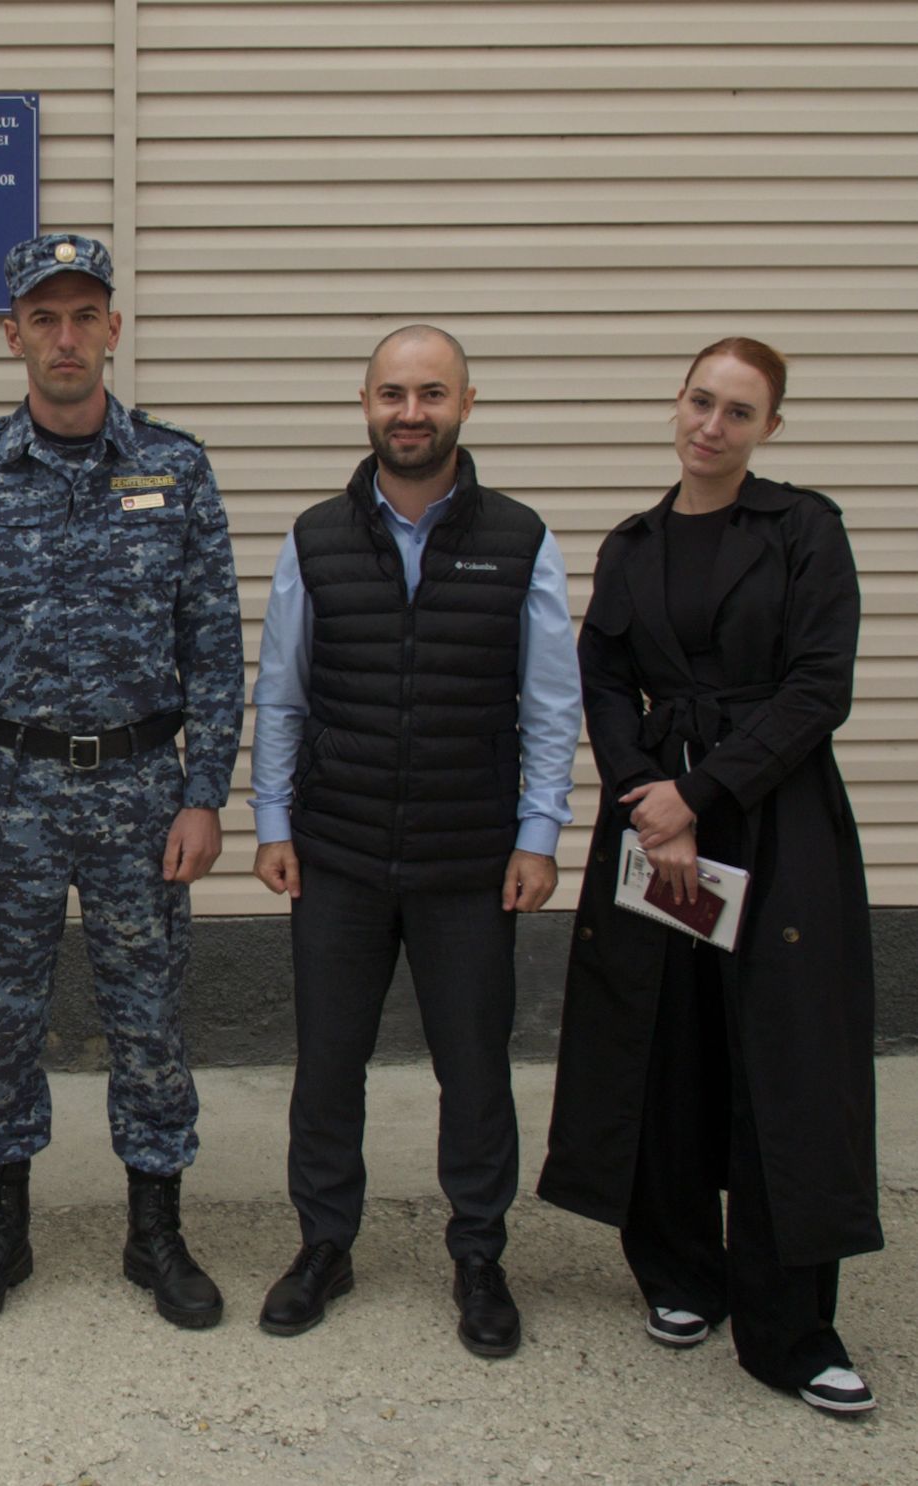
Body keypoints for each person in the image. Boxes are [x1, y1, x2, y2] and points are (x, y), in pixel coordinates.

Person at [0, 235, 245, 1330]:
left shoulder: (175, 468)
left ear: (110, 329)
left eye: (80, 315)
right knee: (2, 1019)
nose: (63, 337)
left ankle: (157, 1235)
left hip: (144, 792)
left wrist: (206, 793)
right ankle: (1, 1231)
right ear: (12, 337)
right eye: (41, 319)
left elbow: (211, 642)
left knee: (148, 1020)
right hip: (6, 794)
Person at [539, 338, 881, 1415]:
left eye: (738, 412)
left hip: (773, 823)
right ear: (674, 405)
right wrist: (648, 794)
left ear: (766, 430)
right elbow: (597, 678)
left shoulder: (801, 532)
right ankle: (680, 1271)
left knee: (779, 1061)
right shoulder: (633, 543)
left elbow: (816, 687)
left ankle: (791, 1329)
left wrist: (702, 795)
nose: (710, 426)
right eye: (699, 401)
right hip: (654, 829)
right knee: (662, 1047)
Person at [249, 325, 580, 1358]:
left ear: (464, 404)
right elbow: (283, 695)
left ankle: (478, 1255)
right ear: (362, 403)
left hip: (468, 862)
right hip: (338, 855)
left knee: (474, 1070)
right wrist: (270, 823)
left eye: (429, 393)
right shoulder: (311, 538)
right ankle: (323, 1245)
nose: (409, 412)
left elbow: (549, 705)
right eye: (391, 393)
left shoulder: (520, 538)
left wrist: (536, 833)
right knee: (327, 1066)